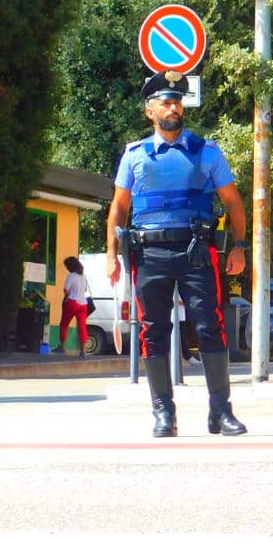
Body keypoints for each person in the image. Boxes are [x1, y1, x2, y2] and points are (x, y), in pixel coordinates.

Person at [106, 70, 248, 438]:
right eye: (165, 102)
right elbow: (118, 209)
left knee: (209, 327)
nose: (173, 107)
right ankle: (163, 414)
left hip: (195, 252)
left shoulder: (207, 152)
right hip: (149, 254)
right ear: (149, 112)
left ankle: (221, 411)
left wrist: (239, 247)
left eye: (177, 101)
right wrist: (111, 256)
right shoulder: (135, 156)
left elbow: (233, 203)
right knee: (153, 330)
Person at [54, 256, 92, 356]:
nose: (66, 268)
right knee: (82, 326)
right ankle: (83, 351)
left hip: (72, 302)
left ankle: (62, 347)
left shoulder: (71, 275)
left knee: (64, 324)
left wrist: (68, 292)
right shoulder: (83, 276)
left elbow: (66, 290)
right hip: (83, 304)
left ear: (70, 266)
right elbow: (84, 290)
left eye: (66, 266)